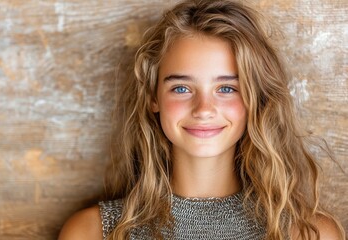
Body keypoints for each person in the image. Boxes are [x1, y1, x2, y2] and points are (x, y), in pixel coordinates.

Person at [59, 0, 346, 239]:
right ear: (153, 96)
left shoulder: (308, 234)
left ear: (255, 99)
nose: (204, 108)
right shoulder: (92, 232)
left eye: (227, 88)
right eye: (181, 88)